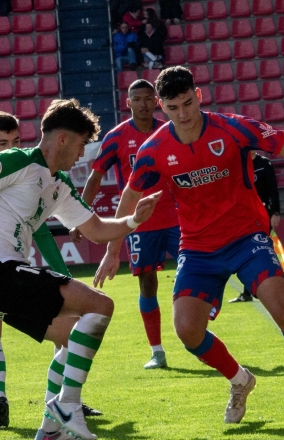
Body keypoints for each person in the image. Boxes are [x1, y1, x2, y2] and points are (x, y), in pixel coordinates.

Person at [94, 67, 284, 423]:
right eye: (174, 107)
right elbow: (129, 198)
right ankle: (240, 381)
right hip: (196, 247)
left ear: (199, 95)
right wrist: (112, 250)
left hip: (246, 238)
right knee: (187, 331)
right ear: (161, 106)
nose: (183, 113)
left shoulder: (234, 128)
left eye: (188, 103)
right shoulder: (154, 150)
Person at [0, 98, 163, 440]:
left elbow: (97, 229)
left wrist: (133, 220)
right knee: (101, 305)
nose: (82, 154)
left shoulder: (60, 185)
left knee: (75, 338)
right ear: (62, 139)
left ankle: (51, 429)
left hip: (6, 281)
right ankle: (68, 405)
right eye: (81, 144)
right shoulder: (16, 162)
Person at [0, 111, 101, 431]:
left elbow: (41, 233)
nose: (9, 148)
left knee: (67, 319)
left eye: (15, 141)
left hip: (10, 268)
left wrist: (64, 277)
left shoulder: (25, 175)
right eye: (2, 143)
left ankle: (61, 400)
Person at [74, 79, 178, 370]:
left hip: (177, 216)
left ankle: (193, 326)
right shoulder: (117, 136)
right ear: (127, 102)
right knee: (147, 283)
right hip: (138, 223)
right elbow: (95, 177)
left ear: (156, 101)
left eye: (148, 98)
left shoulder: (169, 129)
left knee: (194, 269)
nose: (143, 104)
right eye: (137, 99)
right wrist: (79, 215)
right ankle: (157, 351)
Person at [230, 152, 281, 302]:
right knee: (247, 250)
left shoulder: (264, 163)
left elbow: (273, 189)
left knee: (261, 249)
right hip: (245, 213)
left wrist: (275, 212)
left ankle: (271, 287)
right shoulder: (238, 163)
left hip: (263, 212)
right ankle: (249, 291)